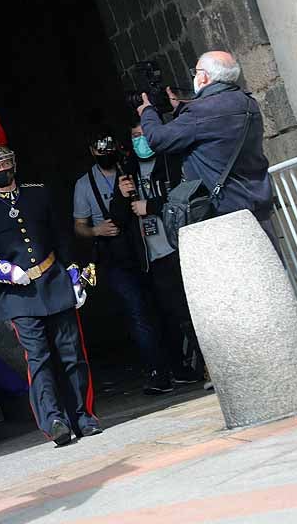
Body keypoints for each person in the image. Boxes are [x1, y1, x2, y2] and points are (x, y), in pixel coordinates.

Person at [0, 93, 100, 447]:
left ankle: (83, 416)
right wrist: (3, 270)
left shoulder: (38, 194)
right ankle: (54, 420)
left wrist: (73, 273)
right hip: (19, 296)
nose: (1, 170)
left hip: (54, 282)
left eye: (5, 163)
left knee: (71, 355)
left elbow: (61, 238)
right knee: (38, 360)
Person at [138, 50, 276, 244]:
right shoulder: (248, 103)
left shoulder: (200, 113)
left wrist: (147, 112)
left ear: (203, 76)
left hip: (225, 214)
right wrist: (181, 109)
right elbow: (217, 131)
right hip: (257, 206)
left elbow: (157, 139)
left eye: (196, 72)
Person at [73, 132, 172, 394]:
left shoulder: (130, 172)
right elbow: (78, 227)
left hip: (146, 249)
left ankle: (177, 364)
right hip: (114, 257)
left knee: (162, 306)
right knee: (137, 311)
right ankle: (156, 370)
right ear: (92, 151)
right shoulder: (84, 185)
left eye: (110, 147)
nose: (106, 153)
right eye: (100, 148)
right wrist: (96, 231)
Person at [116, 122, 204, 384]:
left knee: (189, 310)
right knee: (167, 315)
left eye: (144, 134)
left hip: (175, 247)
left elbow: (185, 197)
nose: (140, 140)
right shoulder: (128, 171)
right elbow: (119, 219)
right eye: (135, 136)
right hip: (150, 256)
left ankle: (208, 363)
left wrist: (151, 205)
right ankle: (180, 368)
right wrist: (122, 197)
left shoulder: (170, 162)